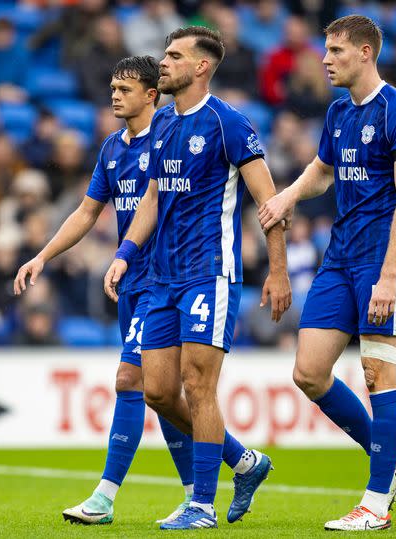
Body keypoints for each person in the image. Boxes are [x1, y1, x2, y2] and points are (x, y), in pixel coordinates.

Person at [103, 27, 291, 529]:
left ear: (201, 67)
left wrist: (277, 271)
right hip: (160, 279)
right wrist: (125, 253)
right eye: (164, 53)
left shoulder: (228, 124)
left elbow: (268, 204)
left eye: (173, 55)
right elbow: (153, 198)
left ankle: (202, 505)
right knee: (158, 393)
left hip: (209, 274)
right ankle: (245, 462)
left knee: (197, 385)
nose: (162, 63)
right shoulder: (162, 123)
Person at [258, 15, 396, 531]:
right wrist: (287, 194)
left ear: (366, 52)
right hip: (340, 257)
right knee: (308, 371)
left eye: (335, 50)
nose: (325, 59)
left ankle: (375, 505)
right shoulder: (336, 113)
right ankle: (391, 457)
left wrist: (391, 276)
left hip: (384, 261)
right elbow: (324, 171)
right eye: (325, 50)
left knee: (377, 373)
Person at [14, 56, 194, 526]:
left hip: (166, 279)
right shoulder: (113, 148)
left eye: (125, 88)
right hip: (131, 282)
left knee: (129, 382)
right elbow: (85, 213)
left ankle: (104, 497)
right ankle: (220, 476)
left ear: (151, 95)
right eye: (111, 87)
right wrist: (42, 256)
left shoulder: (172, 139)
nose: (114, 94)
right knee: (162, 395)